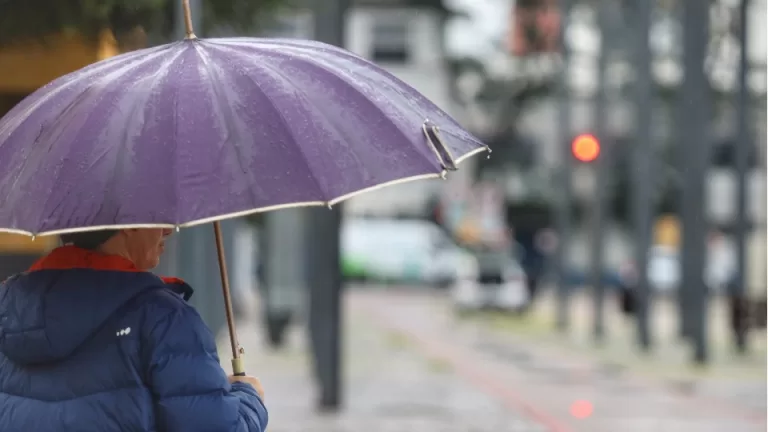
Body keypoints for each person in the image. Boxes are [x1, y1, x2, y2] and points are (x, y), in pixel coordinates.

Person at [0, 228, 268, 431]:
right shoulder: (163, 319)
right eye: (159, 216)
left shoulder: (9, 309)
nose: (168, 230)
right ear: (128, 224)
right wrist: (249, 398)